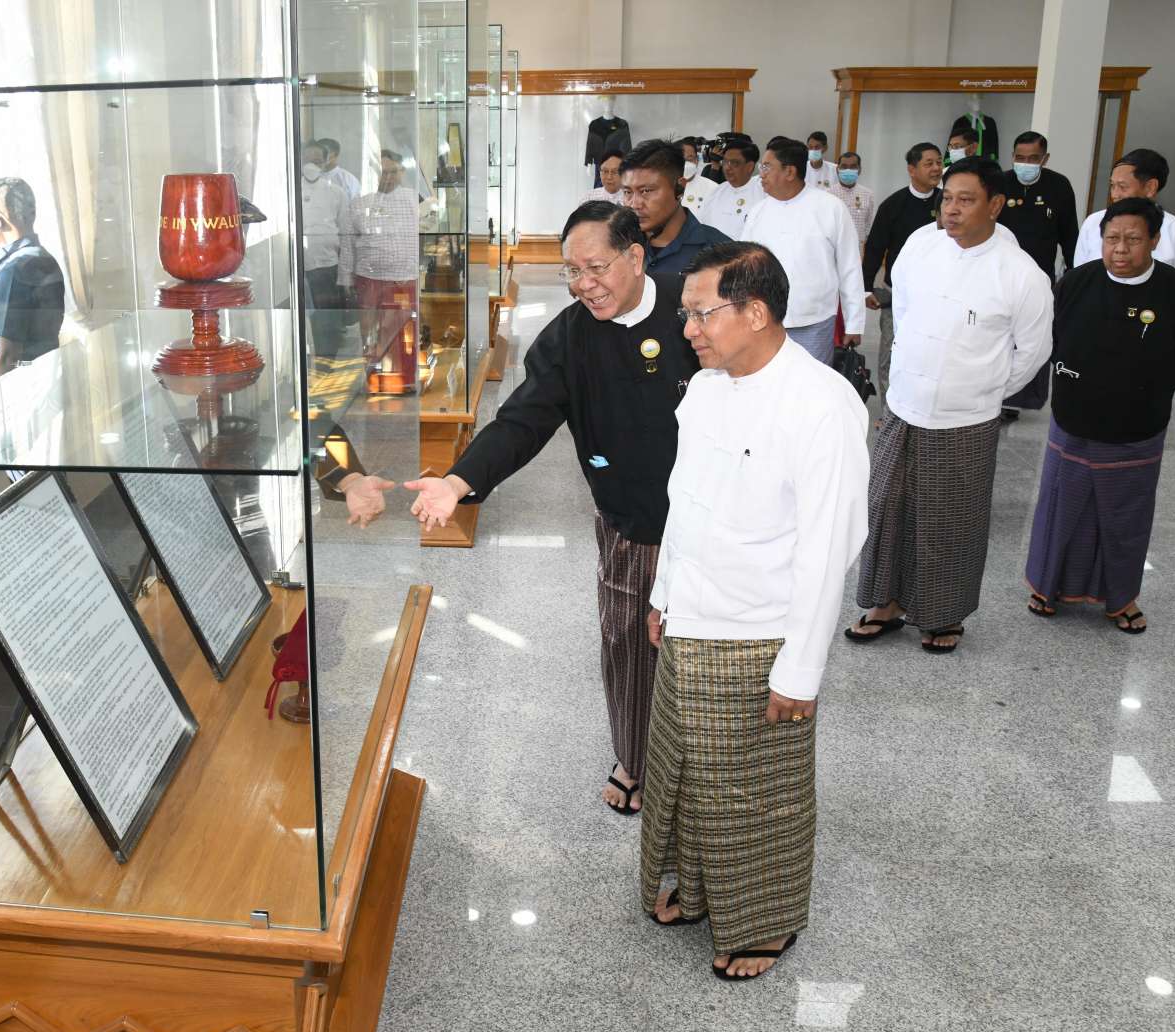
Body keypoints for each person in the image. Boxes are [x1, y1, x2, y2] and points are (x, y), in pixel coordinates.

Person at [404, 201, 699, 815]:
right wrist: (457, 482)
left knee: (704, 644)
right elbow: (522, 420)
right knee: (628, 644)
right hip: (634, 522)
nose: (584, 284)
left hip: (714, 520)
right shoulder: (569, 337)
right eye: (572, 271)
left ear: (636, 257)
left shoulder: (690, 307)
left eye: (597, 267)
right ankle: (635, 758)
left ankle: (698, 761)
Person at [643, 241, 869, 982]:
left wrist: (800, 670)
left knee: (755, 793)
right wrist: (663, 592)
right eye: (686, 315)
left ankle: (767, 924)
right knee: (688, 773)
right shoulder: (707, 388)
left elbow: (830, 547)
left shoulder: (821, 403)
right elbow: (683, 500)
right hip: (692, 614)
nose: (688, 330)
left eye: (702, 314)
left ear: (758, 312)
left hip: (759, 631)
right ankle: (701, 888)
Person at [846, 157, 1052, 654]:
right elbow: (905, 313)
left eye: (966, 200)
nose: (952, 210)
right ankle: (886, 603)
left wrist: (985, 390)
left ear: (995, 205)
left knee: (950, 517)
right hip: (904, 405)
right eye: (947, 199)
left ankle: (943, 615)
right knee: (886, 507)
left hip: (966, 416)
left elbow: (1034, 351)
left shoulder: (1020, 274)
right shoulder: (920, 245)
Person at [1024, 197, 1175, 633]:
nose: (1120, 249)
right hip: (1074, 419)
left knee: (1126, 515)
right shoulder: (1076, 282)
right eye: (1112, 239)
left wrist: (1150, 387)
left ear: (1155, 241)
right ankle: (1047, 587)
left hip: (1136, 425)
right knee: (1060, 507)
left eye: (1132, 239)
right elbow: (1051, 337)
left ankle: (1122, 598)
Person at [743, 137, 864, 364]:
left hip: (814, 322)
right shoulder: (757, 212)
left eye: (767, 167)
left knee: (811, 383)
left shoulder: (830, 208)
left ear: (790, 172)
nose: (761, 174)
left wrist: (854, 323)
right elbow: (745, 267)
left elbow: (850, 268)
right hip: (764, 321)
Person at [997, 131, 1080, 419]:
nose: (1026, 164)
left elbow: (1069, 234)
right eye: (1020, 158)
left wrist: (1074, 273)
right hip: (1001, 275)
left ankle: (1022, 398)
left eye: (1033, 158)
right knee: (1001, 335)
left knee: (1032, 337)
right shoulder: (1001, 183)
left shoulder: (1059, 186)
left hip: (1040, 277)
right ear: (1012, 157)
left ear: (1045, 159)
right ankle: (999, 395)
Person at [861, 143, 943, 397]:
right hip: (897, 294)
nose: (936, 168)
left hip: (939, 294)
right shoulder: (893, 205)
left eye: (939, 162)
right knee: (892, 352)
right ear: (911, 169)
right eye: (929, 163)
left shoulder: (947, 202)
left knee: (931, 355)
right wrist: (865, 288)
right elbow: (875, 248)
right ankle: (890, 409)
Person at [339, 149, 419, 394]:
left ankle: (405, 380)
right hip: (369, 280)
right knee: (370, 333)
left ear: (402, 172)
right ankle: (373, 379)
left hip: (403, 279)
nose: (388, 177)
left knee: (403, 332)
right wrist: (345, 279)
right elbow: (347, 245)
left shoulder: (414, 201)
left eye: (393, 172)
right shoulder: (359, 205)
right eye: (384, 172)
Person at [1072, 149, 1175, 279]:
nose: (1115, 194)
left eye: (1122, 187)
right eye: (1112, 186)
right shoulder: (1093, 222)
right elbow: (1079, 277)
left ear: (1150, 187)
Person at [0, 177, 64, 381]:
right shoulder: (46, 259)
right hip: (45, 381)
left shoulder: (12, 272)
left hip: (19, 390)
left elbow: (8, 358)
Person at [620, 139, 729, 274]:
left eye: (646, 191)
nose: (635, 204)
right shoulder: (618, 245)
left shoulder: (722, 255)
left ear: (679, 187)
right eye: (627, 192)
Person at [300, 142, 351, 358]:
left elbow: (346, 233)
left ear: (324, 163)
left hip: (326, 266)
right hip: (297, 267)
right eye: (307, 160)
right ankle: (304, 363)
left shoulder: (336, 192)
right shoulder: (290, 191)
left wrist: (346, 274)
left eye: (316, 161)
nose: (311, 166)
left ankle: (326, 361)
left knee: (327, 321)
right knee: (302, 319)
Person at [697, 134, 764, 240]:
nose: (727, 167)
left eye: (734, 163)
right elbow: (702, 226)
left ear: (750, 166)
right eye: (724, 162)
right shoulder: (716, 192)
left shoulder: (763, 192)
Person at [823, 151, 876, 249]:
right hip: (833, 248)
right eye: (844, 167)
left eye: (853, 167)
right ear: (837, 169)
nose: (848, 170)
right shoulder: (827, 194)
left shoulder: (868, 195)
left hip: (857, 248)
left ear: (859, 170)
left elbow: (869, 225)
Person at [679, 137, 717, 212]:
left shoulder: (712, 188)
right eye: (681, 160)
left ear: (697, 160)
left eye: (690, 158)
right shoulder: (666, 189)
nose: (686, 164)